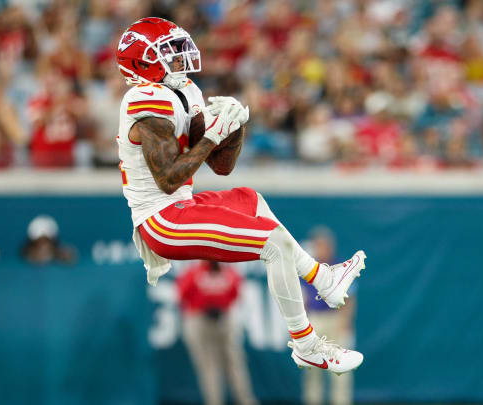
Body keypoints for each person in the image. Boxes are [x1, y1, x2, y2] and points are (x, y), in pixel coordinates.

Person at [115, 17, 367, 374]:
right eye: (167, 51)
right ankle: (306, 344)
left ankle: (323, 279)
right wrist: (212, 136)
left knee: (251, 199)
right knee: (273, 242)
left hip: (180, 204)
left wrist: (233, 127)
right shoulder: (144, 101)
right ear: (143, 60)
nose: (177, 57)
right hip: (162, 219)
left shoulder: (182, 90)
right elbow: (170, 177)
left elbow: (221, 166)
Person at [176, 261, 257, 405]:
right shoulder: (194, 272)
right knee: (209, 367)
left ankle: (245, 400)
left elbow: (236, 293)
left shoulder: (228, 271)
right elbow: (181, 295)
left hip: (223, 319)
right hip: (199, 319)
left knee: (235, 364)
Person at [300, 227, 356, 405]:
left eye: (323, 245)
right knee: (312, 369)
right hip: (315, 321)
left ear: (330, 247)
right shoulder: (309, 269)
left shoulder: (340, 269)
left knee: (340, 370)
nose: (320, 249)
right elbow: (303, 298)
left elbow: (351, 298)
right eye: (317, 245)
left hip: (335, 319)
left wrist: (345, 323)